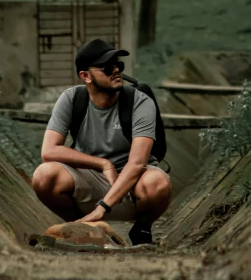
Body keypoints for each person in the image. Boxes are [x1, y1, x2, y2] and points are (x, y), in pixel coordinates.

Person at [32, 38, 172, 245]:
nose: (116, 70)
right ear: (85, 76)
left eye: (119, 65)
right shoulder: (71, 99)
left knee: (158, 182)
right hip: (89, 180)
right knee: (44, 175)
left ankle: (142, 229)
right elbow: (49, 151)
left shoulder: (140, 101)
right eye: (107, 67)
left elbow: (137, 164)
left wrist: (102, 208)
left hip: (132, 183)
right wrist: (102, 163)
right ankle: (79, 228)